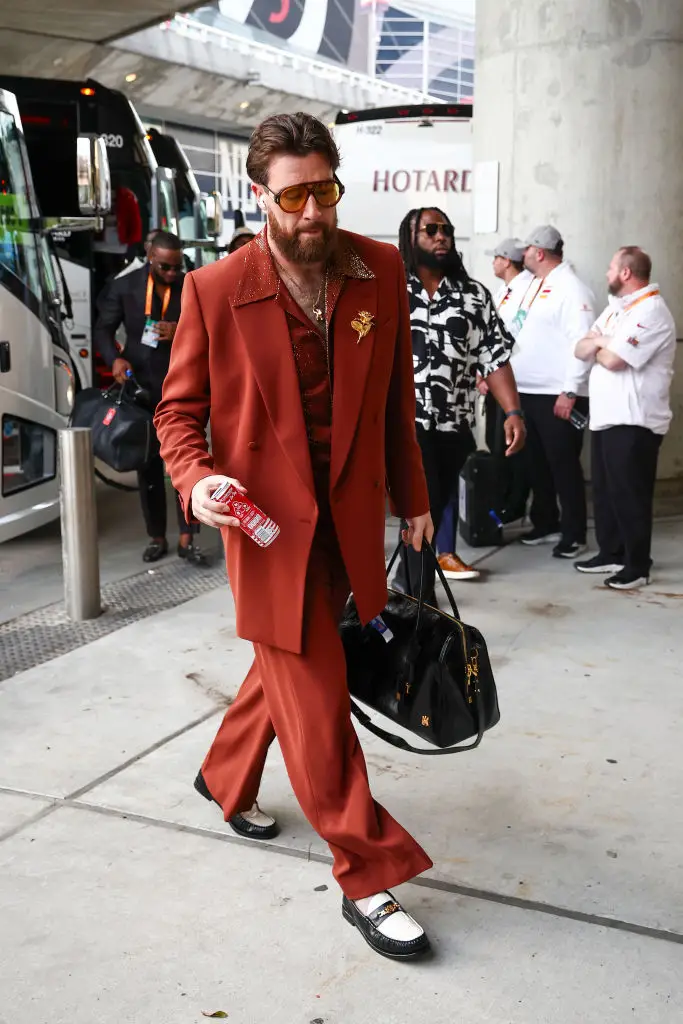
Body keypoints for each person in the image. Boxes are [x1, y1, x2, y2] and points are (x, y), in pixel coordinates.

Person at [154, 113, 437, 961]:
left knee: (282, 667)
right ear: (258, 194)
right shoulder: (215, 288)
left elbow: (394, 399)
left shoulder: (378, 268)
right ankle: (365, 871)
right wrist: (197, 478)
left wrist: (414, 497)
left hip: (348, 526)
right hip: (267, 532)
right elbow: (176, 412)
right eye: (294, 196)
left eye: (325, 190)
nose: (313, 212)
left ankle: (224, 774)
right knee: (314, 700)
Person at [395, 208, 526, 591]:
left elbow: (495, 358)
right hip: (405, 425)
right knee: (422, 505)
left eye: (446, 230)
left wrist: (513, 411)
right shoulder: (390, 290)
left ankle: (412, 593)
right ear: (411, 236)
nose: (441, 237)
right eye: (431, 230)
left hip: (454, 427)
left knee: (430, 509)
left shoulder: (474, 296)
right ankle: (419, 595)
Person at [94, 230, 207, 566]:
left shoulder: (192, 285)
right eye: (165, 267)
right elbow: (102, 328)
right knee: (149, 468)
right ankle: (157, 536)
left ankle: (188, 539)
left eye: (177, 266)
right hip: (140, 389)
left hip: (183, 388)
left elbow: (211, 327)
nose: (172, 273)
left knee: (187, 463)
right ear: (149, 256)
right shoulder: (125, 287)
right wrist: (113, 358)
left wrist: (180, 328)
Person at [574, 247, 676, 589]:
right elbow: (580, 347)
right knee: (605, 491)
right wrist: (605, 342)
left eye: (611, 267)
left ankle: (637, 566)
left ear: (626, 273)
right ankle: (612, 553)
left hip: (636, 420)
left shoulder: (651, 311)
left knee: (630, 494)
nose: (606, 273)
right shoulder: (617, 310)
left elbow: (615, 360)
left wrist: (600, 343)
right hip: (606, 417)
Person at [512, 225, 596, 559]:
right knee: (538, 465)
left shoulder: (572, 289)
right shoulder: (536, 285)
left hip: (558, 394)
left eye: (527, 249)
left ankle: (575, 534)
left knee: (564, 466)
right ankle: (546, 523)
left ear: (540, 252)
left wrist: (571, 391)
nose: (523, 255)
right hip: (529, 392)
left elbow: (584, 343)